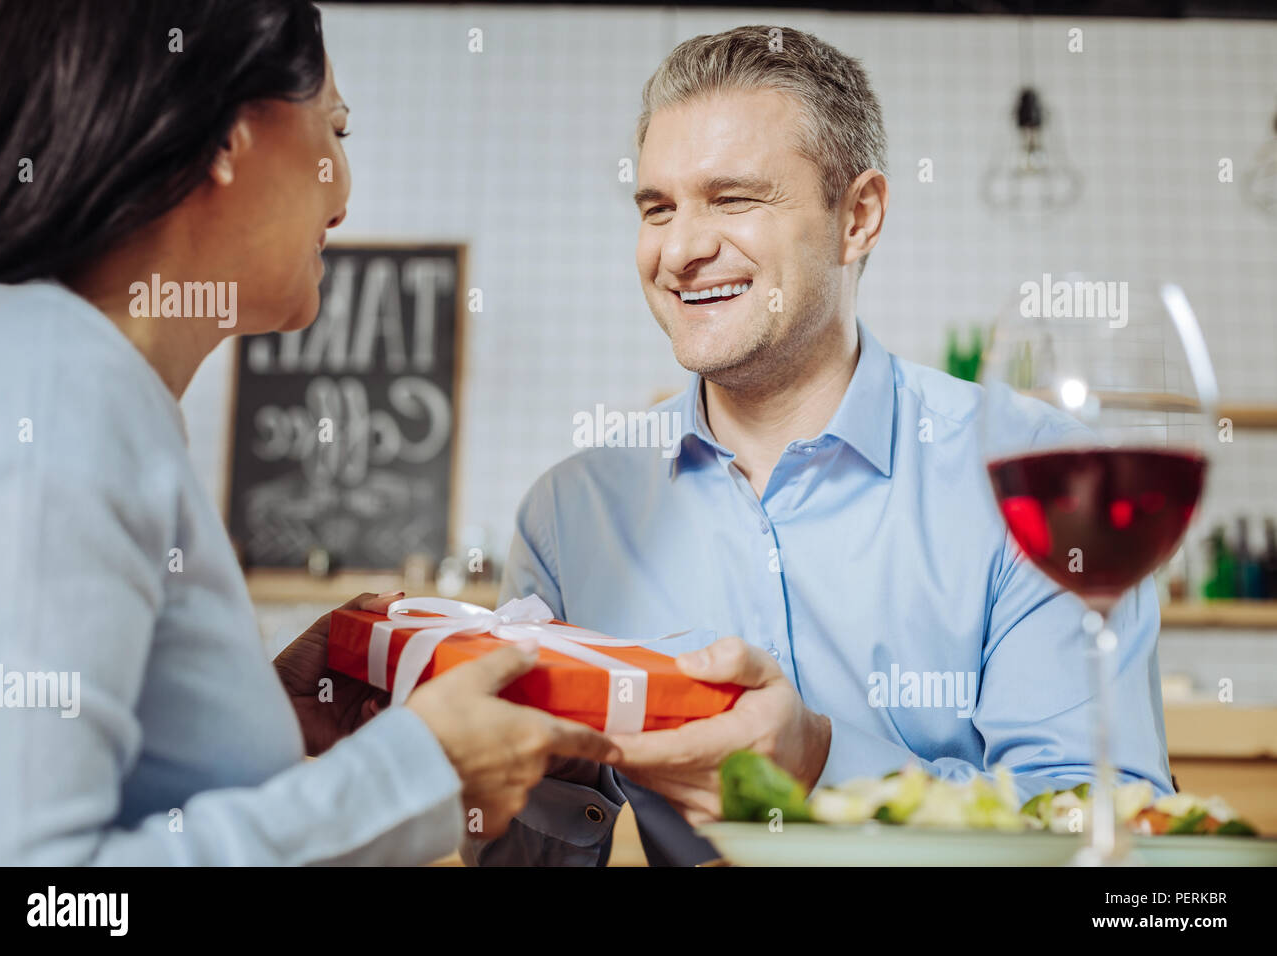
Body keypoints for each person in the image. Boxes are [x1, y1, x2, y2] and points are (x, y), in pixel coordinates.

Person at [466, 25, 1173, 867]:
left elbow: (1103, 831)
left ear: (858, 216)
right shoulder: (568, 514)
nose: (681, 250)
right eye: (658, 207)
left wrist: (823, 767)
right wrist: (526, 780)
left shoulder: (1045, 479)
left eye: (733, 199)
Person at [0, 0, 618, 865]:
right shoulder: (59, 385)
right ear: (228, 137)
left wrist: (254, 719)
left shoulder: (61, 373)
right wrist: (417, 775)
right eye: (336, 130)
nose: (345, 197)